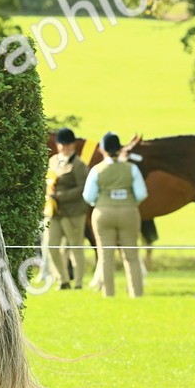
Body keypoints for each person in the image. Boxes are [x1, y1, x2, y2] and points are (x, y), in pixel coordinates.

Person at [83, 132, 149, 297]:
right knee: (131, 255)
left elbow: (88, 196)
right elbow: (141, 193)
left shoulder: (97, 170)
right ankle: (136, 293)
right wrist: (129, 202)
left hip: (103, 213)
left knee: (106, 256)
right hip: (128, 212)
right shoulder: (131, 168)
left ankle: (109, 294)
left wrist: (100, 202)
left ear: (102, 149)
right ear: (120, 149)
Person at [43, 127, 90, 290]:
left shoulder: (79, 165)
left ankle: (78, 282)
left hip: (73, 212)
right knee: (51, 245)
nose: (65, 147)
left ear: (73, 145)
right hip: (54, 211)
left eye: (68, 144)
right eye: (62, 144)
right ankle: (62, 280)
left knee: (76, 247)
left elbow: (82, 188)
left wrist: (60, 196)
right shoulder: (53, 161)